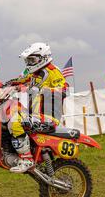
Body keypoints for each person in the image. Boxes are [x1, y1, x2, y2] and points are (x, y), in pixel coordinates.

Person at [6, 42, 68, 173]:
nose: (29, 63)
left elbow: (63, 90)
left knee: (16, 121)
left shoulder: (53, 72)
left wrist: (41, 90)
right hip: (35, 114)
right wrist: (8, 84)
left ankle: (27, 159)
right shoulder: (35, 73)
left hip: (48, 117)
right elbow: (22, 80)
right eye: (28, 60)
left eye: (32, 60)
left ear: (43, 57)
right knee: (8, 115)